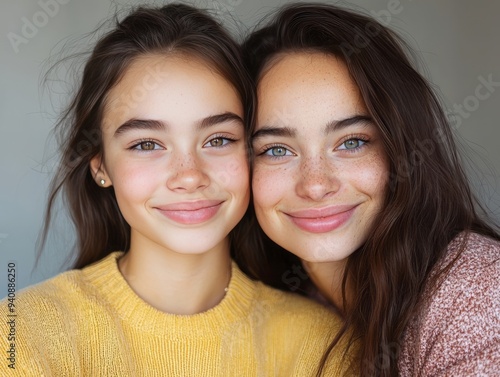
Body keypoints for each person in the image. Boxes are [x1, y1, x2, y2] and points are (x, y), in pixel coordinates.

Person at [0, 4, 347, 376]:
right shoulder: (21, 335)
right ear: (100, 166)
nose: (189, 176)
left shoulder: (322, 345)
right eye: (147, 144)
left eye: (218, 139)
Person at [242, 2, 500, 376]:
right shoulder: (272, 301)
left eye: (352, 142)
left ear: (401, 149)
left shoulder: (476, 295)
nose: (316, 185)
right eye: (277, 150)